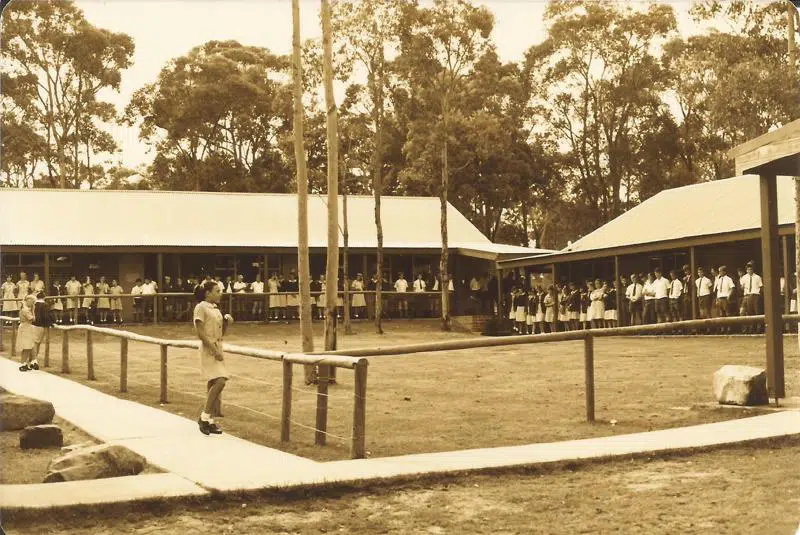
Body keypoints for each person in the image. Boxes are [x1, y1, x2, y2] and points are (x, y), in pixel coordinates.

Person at [193, 280, 233, 436]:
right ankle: (204, 417)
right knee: (220, 381)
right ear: (208, 293)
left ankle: (209, 421)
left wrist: (227, 323)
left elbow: (221, 333)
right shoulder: (201, 307)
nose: (220, 294)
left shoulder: (215, 309)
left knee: (212, 383)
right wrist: (214, 350)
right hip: (209, 349)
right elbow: (200, 332)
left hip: (217, 346)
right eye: (217, 291)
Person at [17, 295, 40, 372]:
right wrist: (33, 311)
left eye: (33, 302)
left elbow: (34, 319)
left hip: (27, 327)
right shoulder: (25, 310)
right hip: (25, 327)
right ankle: (23, 364)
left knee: (29, 346)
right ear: (27, 300)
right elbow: (32, 319)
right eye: (31, 301)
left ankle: (25, 363)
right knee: (26, 347)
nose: (32, 303)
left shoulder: (26, 309)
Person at [740, 262, 763, 334]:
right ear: (746, 270)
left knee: (757, 311)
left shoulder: (757, 277)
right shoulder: (744, 277)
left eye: (751, 269)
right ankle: (751, 328)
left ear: (753, 270)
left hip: (755, 295)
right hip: (747, 295)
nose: (750, 271)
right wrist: (743, 288)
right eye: (748, 269)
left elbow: (761, 287)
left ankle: (758, 328)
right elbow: (741, 287)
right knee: (749, 312)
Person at [714, 266, 735, 333]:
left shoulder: (728, 279)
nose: (719, 272)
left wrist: (729, 296)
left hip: (725, 297)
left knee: (727, 313)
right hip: (720, 298)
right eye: (719, 271)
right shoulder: (719, 280)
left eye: (721, 271)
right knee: (721, 314)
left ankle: (729, 328)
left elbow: (732, 288)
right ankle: (723, 328)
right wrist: (717, 298)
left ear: (724, 271)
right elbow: (718, 290)